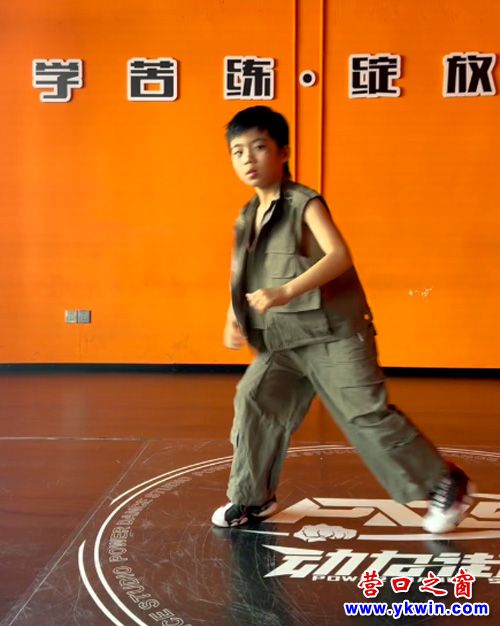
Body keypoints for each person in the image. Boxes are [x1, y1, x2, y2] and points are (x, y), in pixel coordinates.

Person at [211, 105, 474, 534]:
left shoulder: (304, 202)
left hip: (334, 333)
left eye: (258, 147)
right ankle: (253, 498)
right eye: (237, 151)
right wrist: (231, 316)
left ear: (283, 152)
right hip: (283, 339)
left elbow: (338, 255)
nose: (247, 159)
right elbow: (240, 272)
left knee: (364, 415)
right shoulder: (246, 216)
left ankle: (446, 484)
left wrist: (285, 291)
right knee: (255, 401)